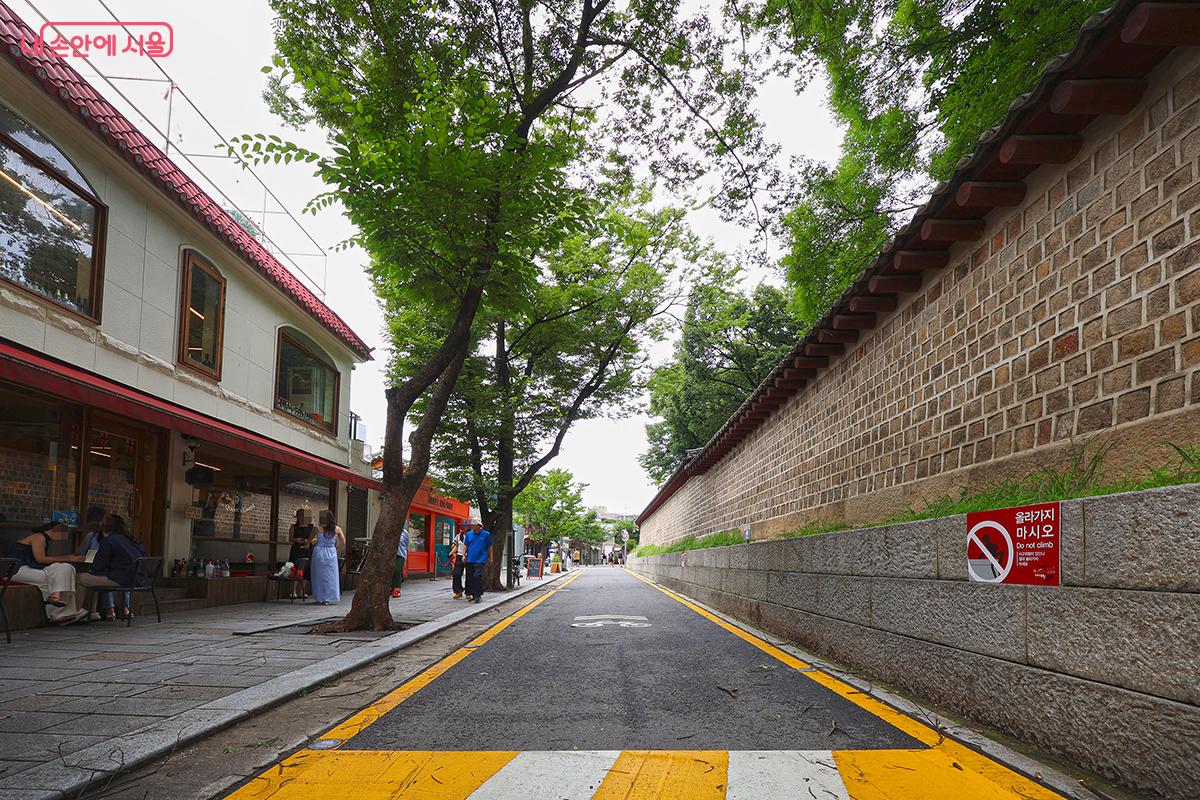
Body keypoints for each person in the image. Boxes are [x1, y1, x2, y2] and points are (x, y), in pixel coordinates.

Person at [9, 522, 87, 624]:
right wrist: (69, 558)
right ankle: (59, 612)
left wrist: (68, 560)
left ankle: (56, 600)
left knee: (67, 567)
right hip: (16, 570)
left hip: (30, 569)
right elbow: (41, 559)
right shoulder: (38, 537)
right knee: (56, 578)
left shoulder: (44, 539)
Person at [77, 514, 146, 620]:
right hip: (137, 578)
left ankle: (77, 612)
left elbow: (98, 565)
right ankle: (95, 612)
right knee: (99, 577)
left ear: (104, 527)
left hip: (121, 579)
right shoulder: (130, 540)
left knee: (80, 578)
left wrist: (93, 570)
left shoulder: (109, 540)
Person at [308, 510, 345, 605]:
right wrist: (335, 547)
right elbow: (343, 542)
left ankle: (319, 596)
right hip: (331, 552)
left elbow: (310, 539)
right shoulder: (337, 529)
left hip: (319, 551)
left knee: (318, 575)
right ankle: (329, 597)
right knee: (331, 575)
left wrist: (306, 545)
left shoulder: (317, 528)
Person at [463, 518, 493, 604]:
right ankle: (473, 594)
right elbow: (465, 545)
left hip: (481, 559)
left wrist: (491, 558)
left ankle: (478, 594)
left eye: (474, 524)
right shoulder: (468, 534)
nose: (472, 526)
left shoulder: (486, 535)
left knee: (477, 576)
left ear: (479, 526)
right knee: (470, 577)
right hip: (470, 558)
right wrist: (464, 555)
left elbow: (490, 547)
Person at [391, 524, 410, 599]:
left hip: (400, 554)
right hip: (390, 555)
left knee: (397, 570)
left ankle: (397, 589)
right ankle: (391, 588)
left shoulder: (404, 533)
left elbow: (406, 544)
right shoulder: (390, 531)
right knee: (390, 571)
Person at [451, 521, 468, 599]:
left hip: (470, 557)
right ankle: (458, 591)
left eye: (464, 526)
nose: (462, 528)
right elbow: (456, 546)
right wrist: (451, 553)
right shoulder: (458, 536)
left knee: (470, 575)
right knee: (456, 574)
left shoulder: (472, 536)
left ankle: (469, 592)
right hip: (460, 556)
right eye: (461, 526)